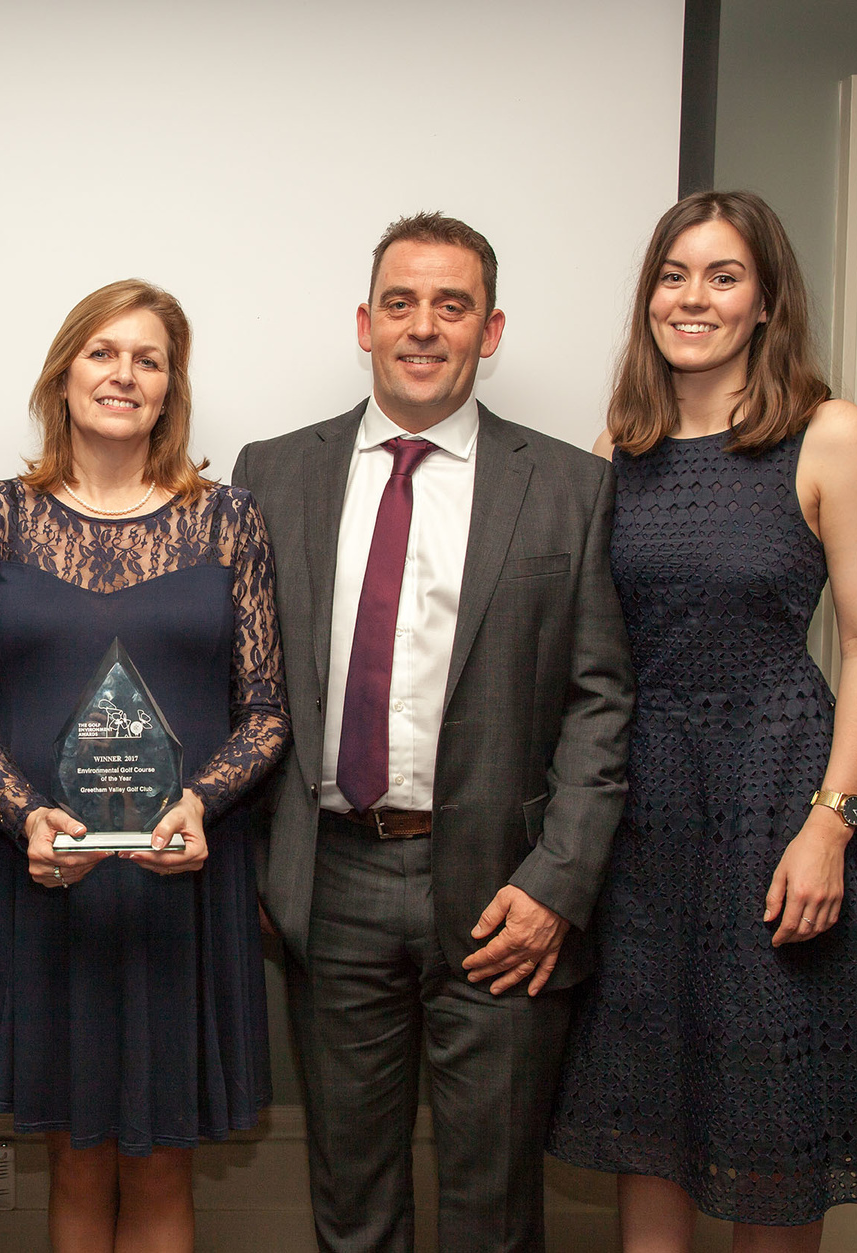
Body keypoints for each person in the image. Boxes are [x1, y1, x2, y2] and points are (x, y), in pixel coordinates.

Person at [231, 212, 634, 1252]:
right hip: (332, 883)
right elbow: (243, 680)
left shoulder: (572, 488)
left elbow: (602, 701)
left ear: (488, 331)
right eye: (401, 303)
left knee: (494, 1209)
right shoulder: (273, 473)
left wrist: (558, 881)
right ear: (364, 323)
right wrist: (263, 866)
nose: (424, 327)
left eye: (451, 305)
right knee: (352, 1202)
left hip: (505, 893)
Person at [548, 190, 857, 1248]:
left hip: (778, 797)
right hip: (645, 806)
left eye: (723, 276)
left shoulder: (830, 432)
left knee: (771, 1137)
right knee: (648, 1117)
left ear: (765, 302)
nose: (693, 297)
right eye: (674, 275)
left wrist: (831, 823)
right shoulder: (620, 441)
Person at [0, 279, 288, 1252]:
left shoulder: (230, 520)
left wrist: (200, 806)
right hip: (48, 881)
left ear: (172, 387)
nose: (123, 374)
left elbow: (264, 714)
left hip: (184, 884)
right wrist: (26, 822)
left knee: (165, 1158)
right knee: (77, 1155)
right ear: (64, 371)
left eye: (148, 358)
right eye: (103, 351)